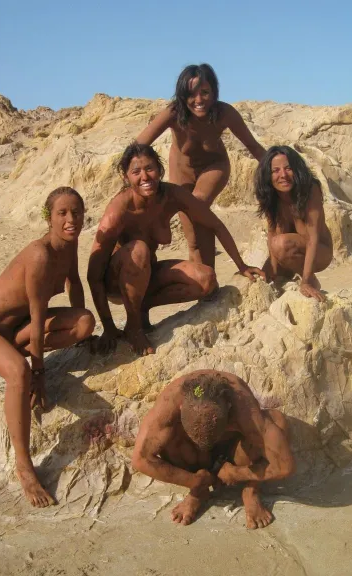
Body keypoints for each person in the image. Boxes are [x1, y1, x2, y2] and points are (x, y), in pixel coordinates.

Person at [0, 187, 95, 508]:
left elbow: (74, 281)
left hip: (17, 329)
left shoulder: (70, 242)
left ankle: (17, 354)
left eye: (76, 212)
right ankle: (24, 468)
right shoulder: (40, 255)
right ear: (48, 218)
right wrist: (39, 373)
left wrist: (84, 339)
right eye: (62, 213)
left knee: (84, 323)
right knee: (19, 372)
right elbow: (38, 320)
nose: (71, 219)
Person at [88, 143, 265, 357]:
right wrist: (108, 326)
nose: (144, 176)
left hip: (147, 274)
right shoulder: (120, 208)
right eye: (136, 172)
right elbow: (93, 275)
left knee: (206, 280)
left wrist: (241, 265)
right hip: (116, 282)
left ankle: (141, 307)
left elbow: (215, 224)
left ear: (160, 169)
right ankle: (134, 327)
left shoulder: (171, 195)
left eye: (150, 168)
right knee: (139, 249)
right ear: (126, 177)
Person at [136, 63, 266, 269]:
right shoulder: (173, 113)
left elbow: (254, 146)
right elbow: (139, 146)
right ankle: (203, 278)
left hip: (214, 166)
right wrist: (136, 178)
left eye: (205, 92)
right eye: (191, 94)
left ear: (214, 92)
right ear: (182, 95)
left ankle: (209, 276)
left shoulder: (224, 113)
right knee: (192, 233)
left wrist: (279, 169)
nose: (199, 100)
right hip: (181, 171)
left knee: (197, 203)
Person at [132, 370, 294, 529]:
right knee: (161, 437)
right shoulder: (169, 403)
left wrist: (237, 473)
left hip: (232, 452)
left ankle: (251, 491)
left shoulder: (243, 406)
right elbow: (140, 459)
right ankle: (198, 491)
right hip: (193, 457)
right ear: (181, 408)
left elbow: (284, 466)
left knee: (277, 421)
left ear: (229, 409)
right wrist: (194, 481)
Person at [255, 145, 333, 302]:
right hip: (288, 251)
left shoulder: (310, 190)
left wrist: (306, 280)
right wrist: (273, 269)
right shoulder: (270, 194)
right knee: (263, 278)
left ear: (297, 169)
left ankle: (310, 279)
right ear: (268, 175)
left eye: (288, 168)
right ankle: (290, 273)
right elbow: (272, 232)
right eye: (276, 171)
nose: (283, 175)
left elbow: (312, 238)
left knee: (280, 244)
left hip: (319, 251)